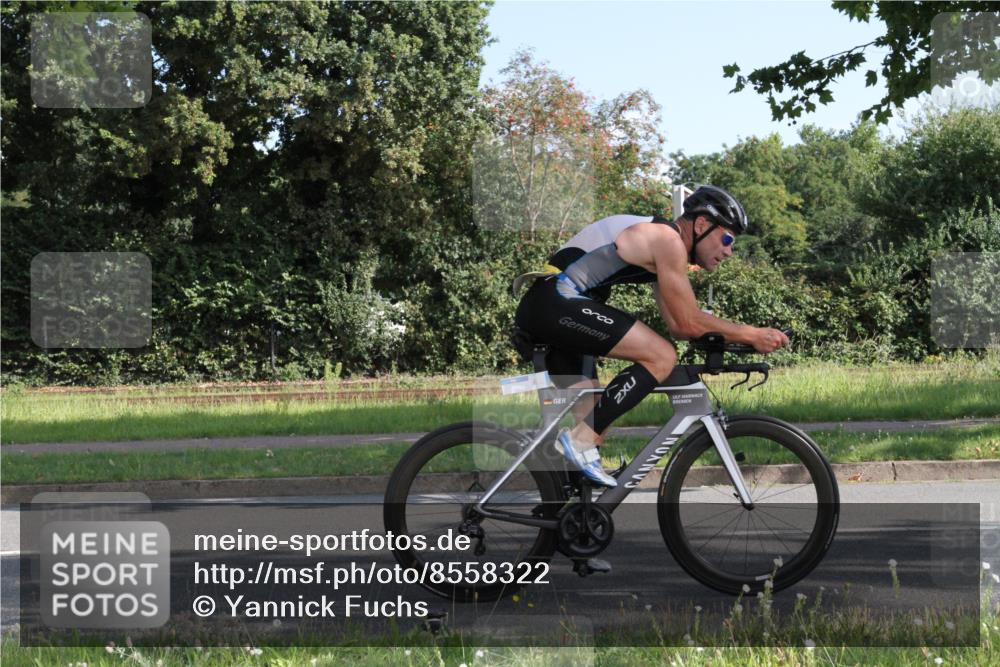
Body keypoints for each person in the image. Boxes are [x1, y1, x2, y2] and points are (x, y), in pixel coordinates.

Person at [513, 185, 789, 487]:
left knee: (595, 417)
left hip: (553, 306)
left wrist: (729, 338)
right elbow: (689, 320)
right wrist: (752, 334)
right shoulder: (666, 240)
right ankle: (577, 444)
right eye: (726, 239)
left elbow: (680, 325)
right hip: (555, 302)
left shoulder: (664, 249)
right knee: (661, 355)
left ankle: (567, 514)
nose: (728, 251)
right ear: (700, 225)